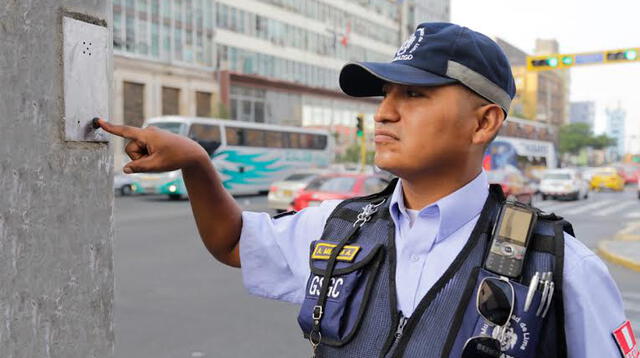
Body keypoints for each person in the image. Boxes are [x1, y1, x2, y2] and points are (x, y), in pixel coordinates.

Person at [98, 22, 634, 358]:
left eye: (415, 94)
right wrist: (196, 162)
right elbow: (235, 243)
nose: (384, 111)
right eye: (385, 93)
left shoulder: (560, 267)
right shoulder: (339, 225)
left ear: (484, 122)